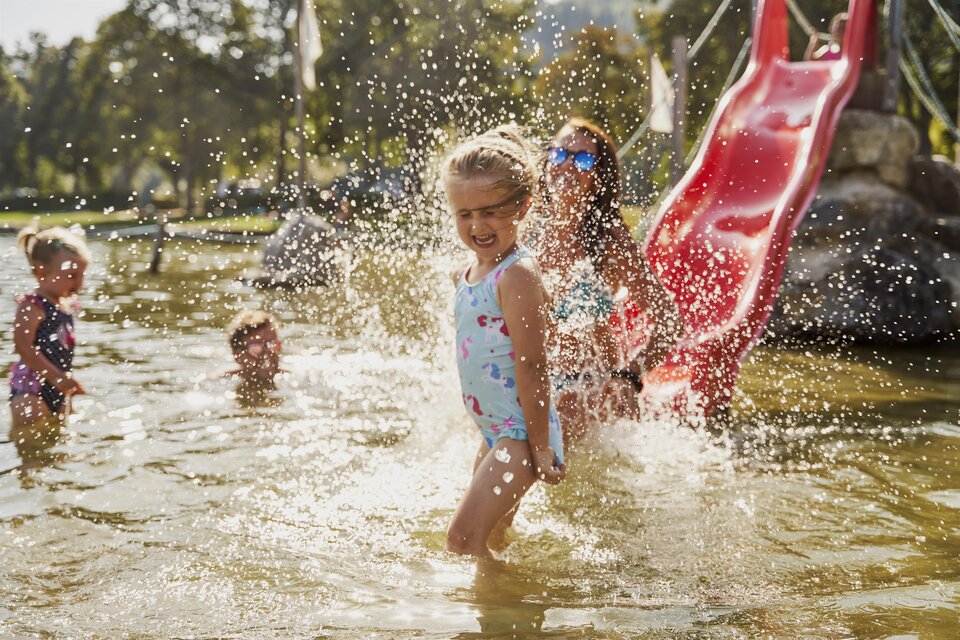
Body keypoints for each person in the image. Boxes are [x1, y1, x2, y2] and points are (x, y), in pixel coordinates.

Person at [444, 125, 566, 559]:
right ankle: (511, 601)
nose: (478, 225)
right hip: (497, 433)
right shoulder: (469, 272)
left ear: (523, 206)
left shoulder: (516, 275)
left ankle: (497, 602)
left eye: (492, 212)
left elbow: (533, 365)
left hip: (520, 436)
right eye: (465, 214)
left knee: (461, 540)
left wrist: (540, 448)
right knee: (492, 537)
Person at [533, 118, 683, 438]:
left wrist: (630, 376)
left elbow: (669, 320)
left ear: (598, 176)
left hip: (589, 388)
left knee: (558, 427)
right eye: (559, 154)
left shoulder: (609, 243)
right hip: (531, 379)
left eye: (583, 160)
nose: (567, 165)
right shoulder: (526, 229)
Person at [9, 226, 91, 447]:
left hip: (58, 387)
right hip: (31, 391)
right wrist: (57, 377)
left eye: (82, 275)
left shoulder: (66, 304)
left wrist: (66, 381)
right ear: (41, 273)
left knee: (59, 447)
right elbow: (24, 347)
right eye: (72, 276)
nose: (79, 283)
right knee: (30, 448)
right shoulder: (33, 305)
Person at [224, 310, 283, 404]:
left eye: (273, 345)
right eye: (256, 348)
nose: (268, 354)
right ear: (237, 354)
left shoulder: (295, 376)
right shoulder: (223, 380)